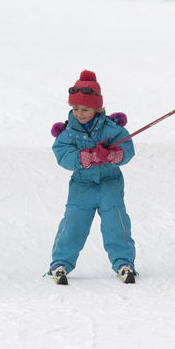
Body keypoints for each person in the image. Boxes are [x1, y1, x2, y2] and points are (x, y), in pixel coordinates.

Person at [48, 70, 137, 284]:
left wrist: (115, 154)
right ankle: (60, 263)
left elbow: (128, 147)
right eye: (75, 108)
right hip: (82, 186)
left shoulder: (111, 128)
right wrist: (85, 157)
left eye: (85, 109)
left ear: (97, 108)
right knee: (73, 225)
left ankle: (124, 263)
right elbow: (62, 153)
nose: (79, 113)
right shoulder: (68, 132)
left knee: (116, 224)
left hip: (109, 184)